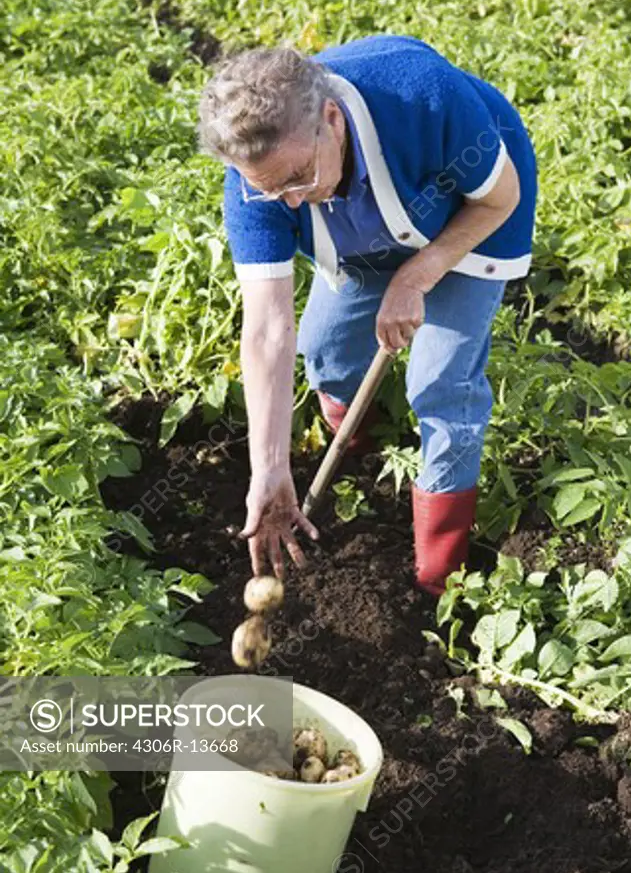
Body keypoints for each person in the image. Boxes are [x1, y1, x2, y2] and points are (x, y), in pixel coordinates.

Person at [198, 34, 537, 595]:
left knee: (440, 383)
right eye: (269, 189)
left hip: (476, 215)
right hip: (368, 220)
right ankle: (370, 456)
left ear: (331, 119)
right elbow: (265, 331)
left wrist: (416, 275)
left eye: (297, 177)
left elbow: (498, 199)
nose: (289, 202)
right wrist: (270, 470)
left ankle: (438, 578)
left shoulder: (424, 97)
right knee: (326, 348)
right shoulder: (258, 184)